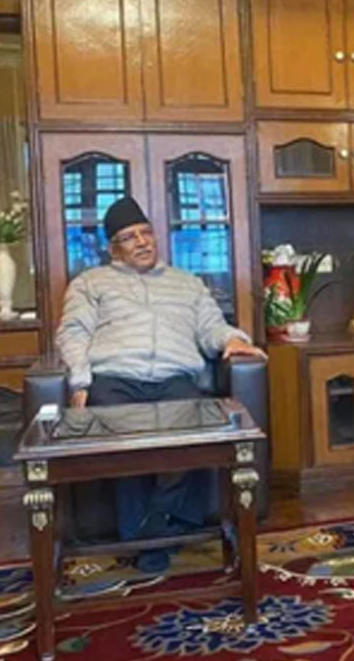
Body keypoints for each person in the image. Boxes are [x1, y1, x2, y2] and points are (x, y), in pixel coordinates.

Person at [55, 196, 265, 572]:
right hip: (115, 379)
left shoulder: (187, 283)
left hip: (174, 378)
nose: (142, 242)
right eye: (129, 237)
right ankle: (158, 533)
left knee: (189, 435)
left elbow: (211, 327)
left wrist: (233, 340)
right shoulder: (90, 283)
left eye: (146, 233)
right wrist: (80, 381)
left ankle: (148, 531)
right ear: (112, 249)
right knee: (126, 441)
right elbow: (73, 333)